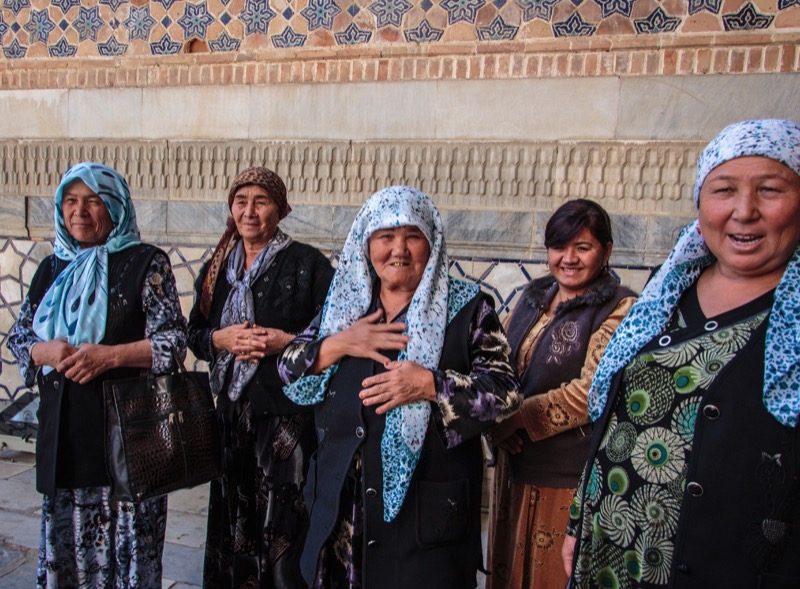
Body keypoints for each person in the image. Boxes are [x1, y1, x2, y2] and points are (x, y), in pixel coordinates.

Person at [563, 119, 800, 588]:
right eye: (724, 190)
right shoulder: (668, 294)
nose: (744, 211)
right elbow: (620, 422)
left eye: (770, 190)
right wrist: (579, 521)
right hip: (613, 545)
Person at [278, 185, 521, 588]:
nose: (399, 250)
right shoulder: (346, 305)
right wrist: (341, 343)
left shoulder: (468, 308)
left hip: (423, 524)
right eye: (385, 237)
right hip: (341, 513)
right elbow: (288, 371)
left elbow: (506, 393)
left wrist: (431, 385)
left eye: (412, 236)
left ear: (432, 243)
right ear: (366, 242)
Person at [6, 162, 187, 588]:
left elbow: (174, 342)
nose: (80, 212)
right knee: (68, 556)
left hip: (126, 444)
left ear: (116, 206)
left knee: (127, 559)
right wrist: (42, 349)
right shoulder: (51, 268)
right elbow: (19, 338)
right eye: (71, 201)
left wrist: (109, 357)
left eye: (93, 201)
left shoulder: (145, 263)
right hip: (65, 440)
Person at [187, 166, 334, 588]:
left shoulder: (307, 264)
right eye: (241, 201)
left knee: (283, 522)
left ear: (282, 210)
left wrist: (283, 341)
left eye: (261, 201)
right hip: (230, 415)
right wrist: (220, 337)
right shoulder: (218, 268)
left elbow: (336, 334)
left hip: (287, 418)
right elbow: (193, 334)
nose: (249, 211)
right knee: (234, 513)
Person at [486, 199, 636, 589]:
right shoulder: (532, 298)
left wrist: (513, 418)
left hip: (568, 479)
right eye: (558, 247)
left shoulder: (620, 306)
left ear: (606, 251)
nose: (568, 258)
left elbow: (592, 389)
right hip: (513, 472)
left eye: (582, 247)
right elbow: (494, 366)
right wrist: (493, 420)